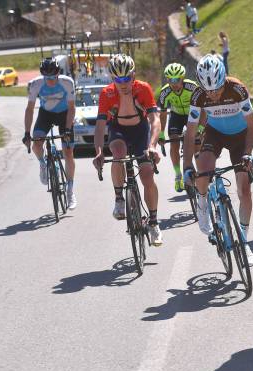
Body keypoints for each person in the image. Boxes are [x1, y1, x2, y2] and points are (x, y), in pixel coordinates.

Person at [183, 55, 253, 266]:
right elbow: (189, 134)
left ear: (223, 79)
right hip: (215, 133)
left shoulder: (237, 89)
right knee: (204, 170)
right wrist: (187, 165)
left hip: (240, 136)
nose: (213, 95)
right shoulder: (198, 95)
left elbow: (252, 125)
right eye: (208, 91)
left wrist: (248, 153)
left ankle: (244, 241)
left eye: (216, 89)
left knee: (244, 189)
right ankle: (203, 202)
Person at [92, 54, 163, 246]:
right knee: (118, 154)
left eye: (127, 79)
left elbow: (155, 120)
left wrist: (153, 146)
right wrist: (98, 151)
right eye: (118, 79)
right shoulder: (106, 93)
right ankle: (119, 199)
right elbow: (100, 127)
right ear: (112, 78)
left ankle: (154, 223)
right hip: (119, 131)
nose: (123, 84)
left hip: (140, 131)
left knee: (147, 174)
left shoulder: (143, 88)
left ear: (134, 76)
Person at [23, 57, 77, 209]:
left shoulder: (67, 82)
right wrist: (27, 133)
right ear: (42, 75)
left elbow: (72, 108)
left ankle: (70, 189)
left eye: (53, 77)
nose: (51, 80)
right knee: (36, 144)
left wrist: (67, 129)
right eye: (47, 77)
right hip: (45, 115)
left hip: (64, 115)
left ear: (58, 73)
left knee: (68, 152)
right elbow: (29, 109)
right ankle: (42, 164)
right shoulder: (36, 84)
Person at [157, 63, 199, 192]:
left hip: (192, 114)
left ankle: (201, 171)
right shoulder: (165, 92)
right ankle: (178, 175)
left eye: (177, 79)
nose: (174, 83)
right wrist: (161, 133)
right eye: (170, 80)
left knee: (197, 142)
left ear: (183, 78)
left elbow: (203, 107)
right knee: (174, 141)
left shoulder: (192, 87)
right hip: (176, 115)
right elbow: (163, 114)